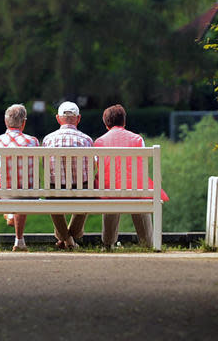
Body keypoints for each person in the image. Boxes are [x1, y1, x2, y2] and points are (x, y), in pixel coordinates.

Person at [94, 104, 169, 250]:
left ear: (106, 123)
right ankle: (147, 243)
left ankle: (108, 244)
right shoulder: (137, 139)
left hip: (110, 191)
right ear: (124, 121)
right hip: (135, 190)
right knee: (139, 190)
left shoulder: (99, 141)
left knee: (110, 189)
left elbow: (99, 166)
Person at [42, 101, 93, 250]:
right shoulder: (86, 140)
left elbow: (45, 166)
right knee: (88, 190)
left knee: (50, 192)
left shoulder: (48, 140)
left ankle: (66, 238)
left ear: (58, 118)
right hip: (80, 192)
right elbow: (93, 167)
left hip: (55, 192)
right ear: (78, 119)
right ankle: (72, 237)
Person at [0, 104, 40, 252]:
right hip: (28, 193)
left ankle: (11, 213)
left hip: (2, 193)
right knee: (21, 190)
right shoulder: (33, 142)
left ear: (6, 122)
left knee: (12, 189)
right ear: (24, 123)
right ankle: (19, 240)